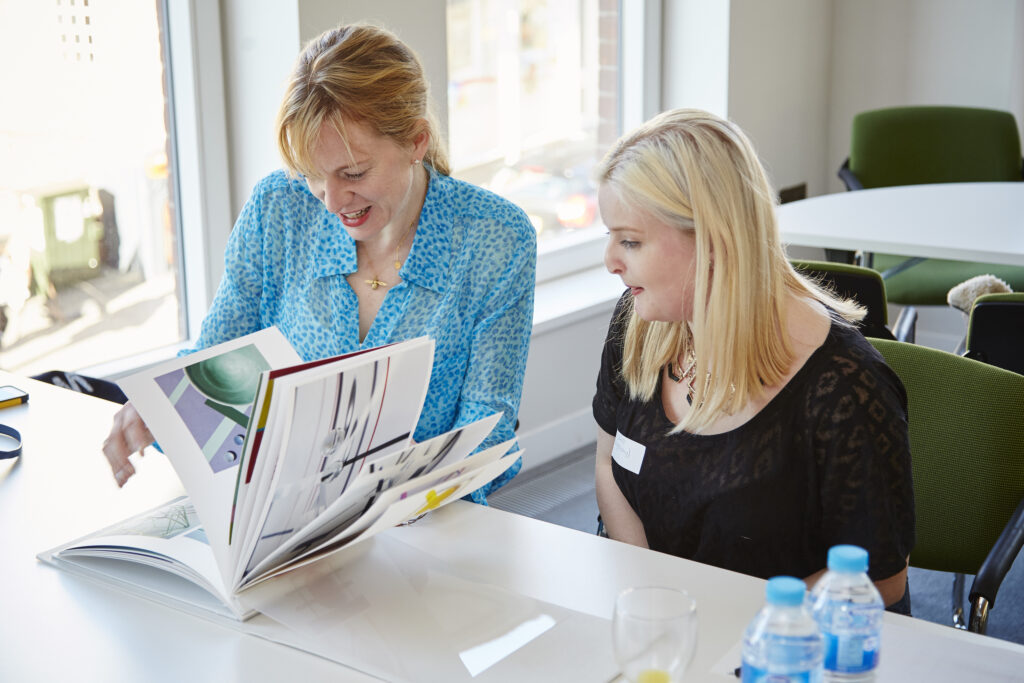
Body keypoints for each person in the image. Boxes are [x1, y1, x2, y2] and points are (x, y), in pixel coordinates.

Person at [103, 24, 536, 504]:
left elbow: (488, 425)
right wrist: (162, 409)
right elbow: (214, 364)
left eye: (353, 173)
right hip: (278, 517)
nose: (331, 202)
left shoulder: (496, 238)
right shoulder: (278, 208)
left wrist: (398, 495)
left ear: (416, 141)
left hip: (424, 528)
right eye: (311, 174)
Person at [592, 109, 915, 612]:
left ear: (715, 241)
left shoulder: (844, 388)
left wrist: (732, 620)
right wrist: (652, 593)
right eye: (610, 236)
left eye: (631, 241)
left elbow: (881, 578)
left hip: (786, 646)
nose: (611, 260)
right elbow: (608, 460)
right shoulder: (640, 324)